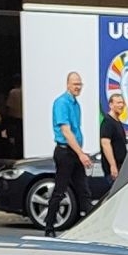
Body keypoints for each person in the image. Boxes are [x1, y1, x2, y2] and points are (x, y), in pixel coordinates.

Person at [48, 70, 94, 232]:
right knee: (60, 190)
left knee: (84, 191)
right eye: (75, 84)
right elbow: (66, 132)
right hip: (65, 152)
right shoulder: (61, 103)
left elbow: (76, 131)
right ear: (68, 84)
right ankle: (49, 226)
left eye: (80, 84)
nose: (78, 87)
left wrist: (81, 152)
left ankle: (90, 228)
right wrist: (80, 154)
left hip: (74, 152)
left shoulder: (76, 104)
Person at [98, 92, 128, 196]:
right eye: (118, 102)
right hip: (114, 170)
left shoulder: (117, 122)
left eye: (122, 103)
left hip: (122, 167)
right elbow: (105, 143)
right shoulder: (108, 122)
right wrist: (113, 166)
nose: (121, 105)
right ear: (111, 105)